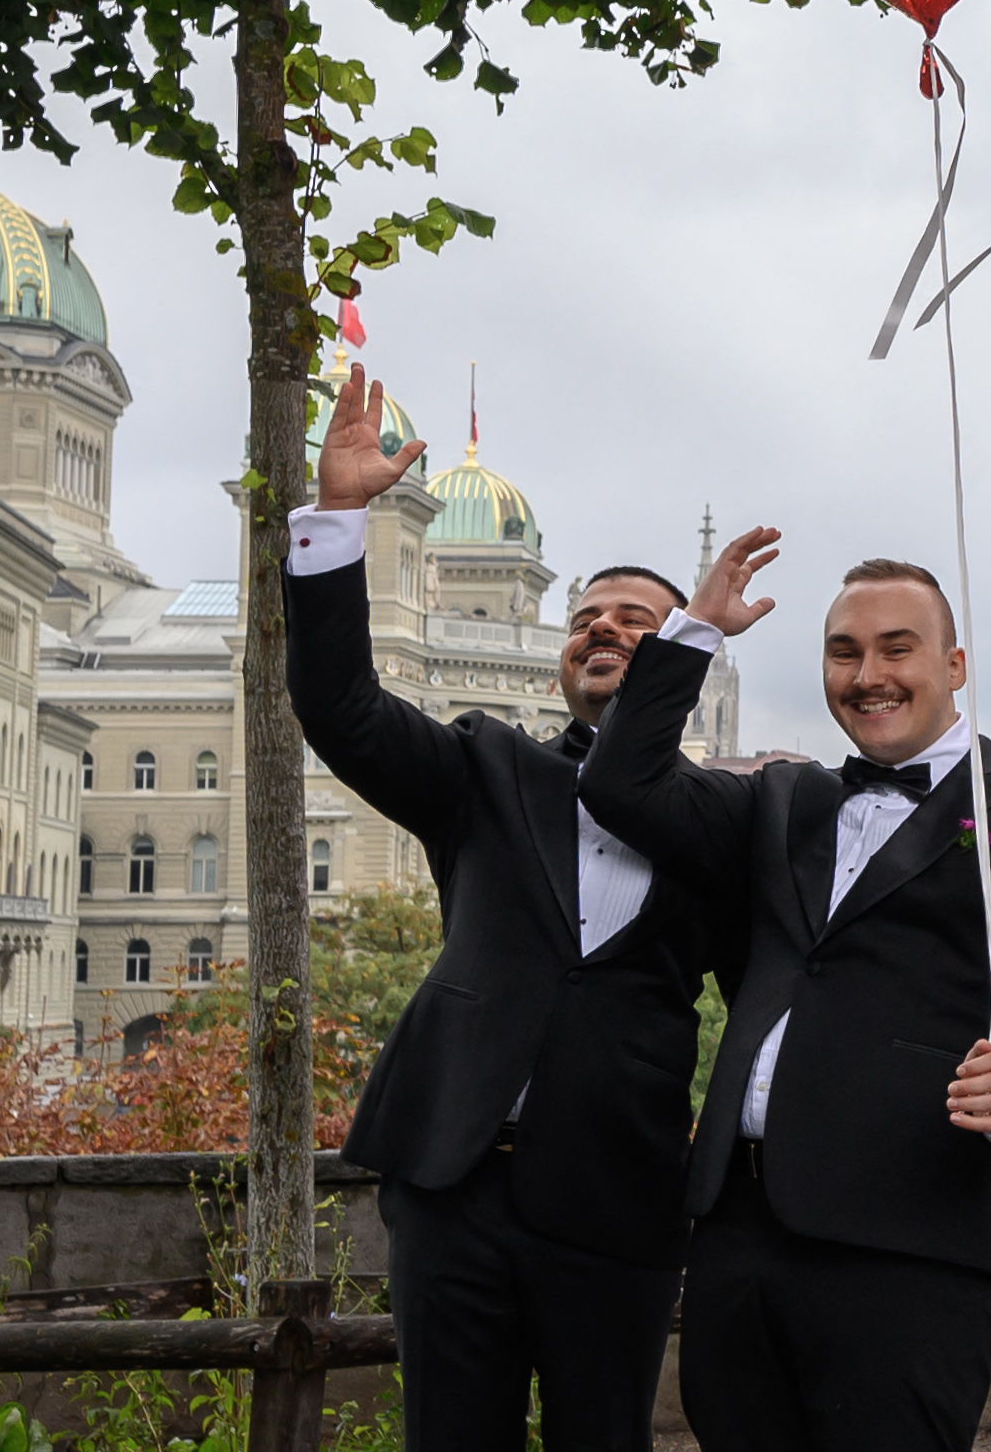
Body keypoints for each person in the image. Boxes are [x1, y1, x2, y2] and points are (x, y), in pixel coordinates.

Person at [577, 528, 991, 1452]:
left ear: (955, 663)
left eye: (897, 649)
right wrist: (695, 629)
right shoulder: (780, 796)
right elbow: (619, 783)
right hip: (741, 1228)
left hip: (921, 1235)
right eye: (844, 652)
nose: (869, 675)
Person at [284, 366, 740, 1452]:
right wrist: (339, 516)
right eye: (586, 617)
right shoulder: (481, 769)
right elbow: (339, 706)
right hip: (451, 1189)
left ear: (687, 656)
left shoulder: (729, 819)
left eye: (638, 620)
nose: (602, 629)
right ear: (556, 662)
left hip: (616, 1201)